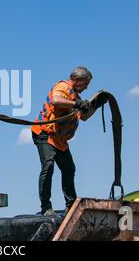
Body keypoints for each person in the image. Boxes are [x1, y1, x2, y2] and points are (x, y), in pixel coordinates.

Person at [31, 66, 97, 216]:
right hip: (44, 133)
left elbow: (84, 116)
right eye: (85, 83)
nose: (86, 87)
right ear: (77, 79)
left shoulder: (76, 97)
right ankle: (46, 207)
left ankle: (71, 206)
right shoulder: (63, 86)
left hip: (59, 139)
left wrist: (94, 105)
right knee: (48, 165)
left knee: (69, 169)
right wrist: (76, 104)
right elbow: (56, 100)